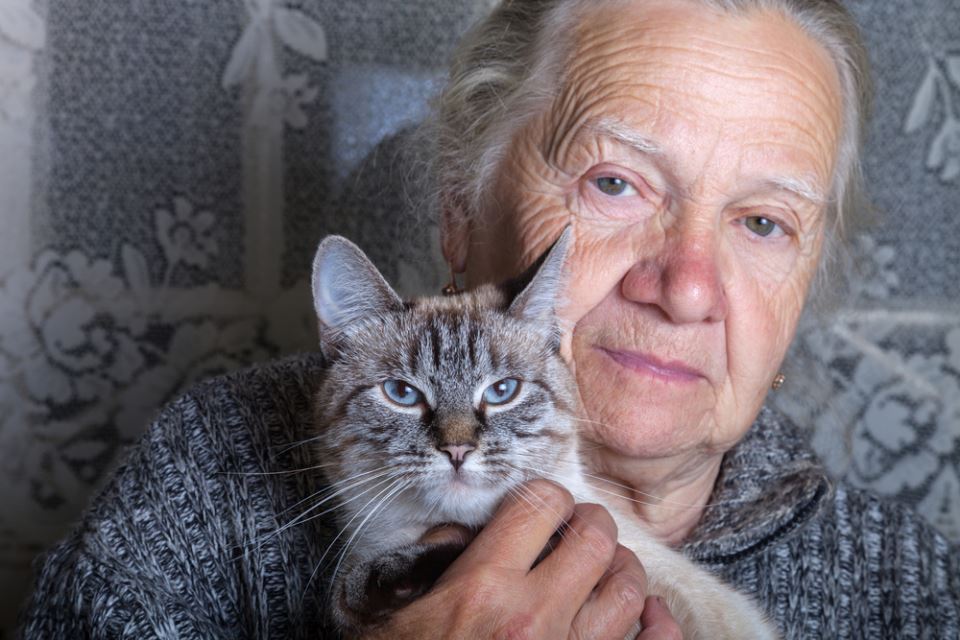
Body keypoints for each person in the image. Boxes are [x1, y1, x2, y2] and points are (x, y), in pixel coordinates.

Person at [20, 0, 960, 638]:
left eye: (762, 223)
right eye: (616, 182)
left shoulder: (910, 589)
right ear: (461, 213)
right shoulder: (216, 474)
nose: (685, 287)